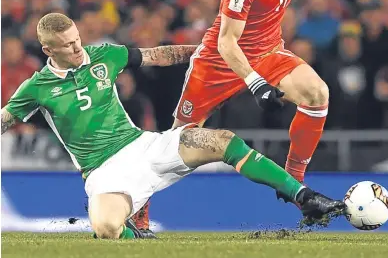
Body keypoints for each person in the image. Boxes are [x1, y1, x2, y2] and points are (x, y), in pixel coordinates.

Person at [1, 13, 345, 240]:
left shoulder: (103, 55)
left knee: (222, 140)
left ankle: (303, 197)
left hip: (143, 147)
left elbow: (158, 55)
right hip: (103, 171)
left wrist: (209, 52)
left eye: (77, 39)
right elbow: (6, 119)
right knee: (106, 228)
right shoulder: (36, 87)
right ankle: (139, 236)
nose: (78, 48)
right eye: (68, 45)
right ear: (48, 49)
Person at [172, 0, 324, 200]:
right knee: (177, 144)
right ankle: (139, 215)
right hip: (219, 62)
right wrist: (256, 84)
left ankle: (292, 180)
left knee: (317, 94)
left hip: (267, 51)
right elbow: (227, 42)